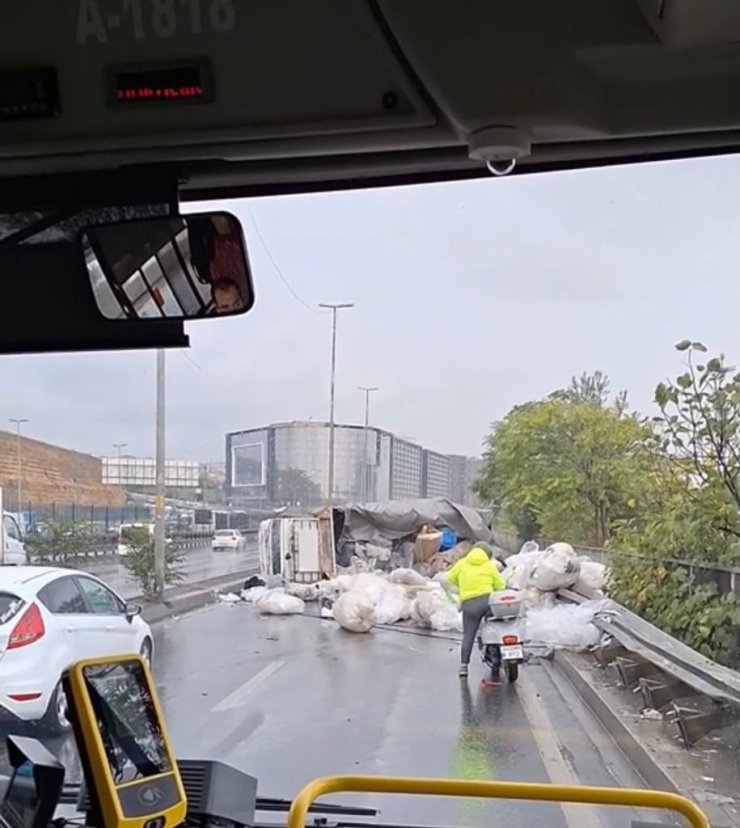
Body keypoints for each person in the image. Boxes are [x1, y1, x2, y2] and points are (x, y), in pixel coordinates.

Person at [447, 541, 506, 681]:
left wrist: (462, 585)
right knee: (495, 625)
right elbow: (501, 585)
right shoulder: (489, 565)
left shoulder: (462, 563)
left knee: (469, 635)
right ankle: (494, 651)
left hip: (469, 603)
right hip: (488, 602)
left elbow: (450, 577)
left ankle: (463, 667)